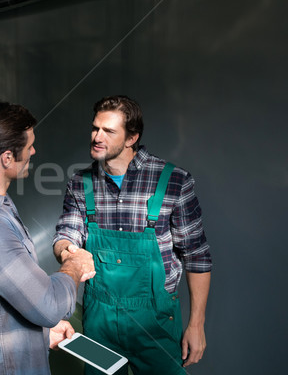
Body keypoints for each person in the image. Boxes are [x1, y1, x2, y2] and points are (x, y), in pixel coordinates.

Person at [53, 96, 212, 375]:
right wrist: (68, 252)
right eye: (95, 128)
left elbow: (197, 257)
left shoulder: (174, 182)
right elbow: (66, 234)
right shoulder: (80, 183)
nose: (97, 137)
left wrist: (196, 324)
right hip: (98, 325)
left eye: (108, 131)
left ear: (131, 138)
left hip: (156, 325)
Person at [0, 101, 95, 374]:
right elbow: (48, 305)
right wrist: (74, 266)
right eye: (29, 146)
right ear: (7, 158)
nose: (34, 151)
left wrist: (38, 334)